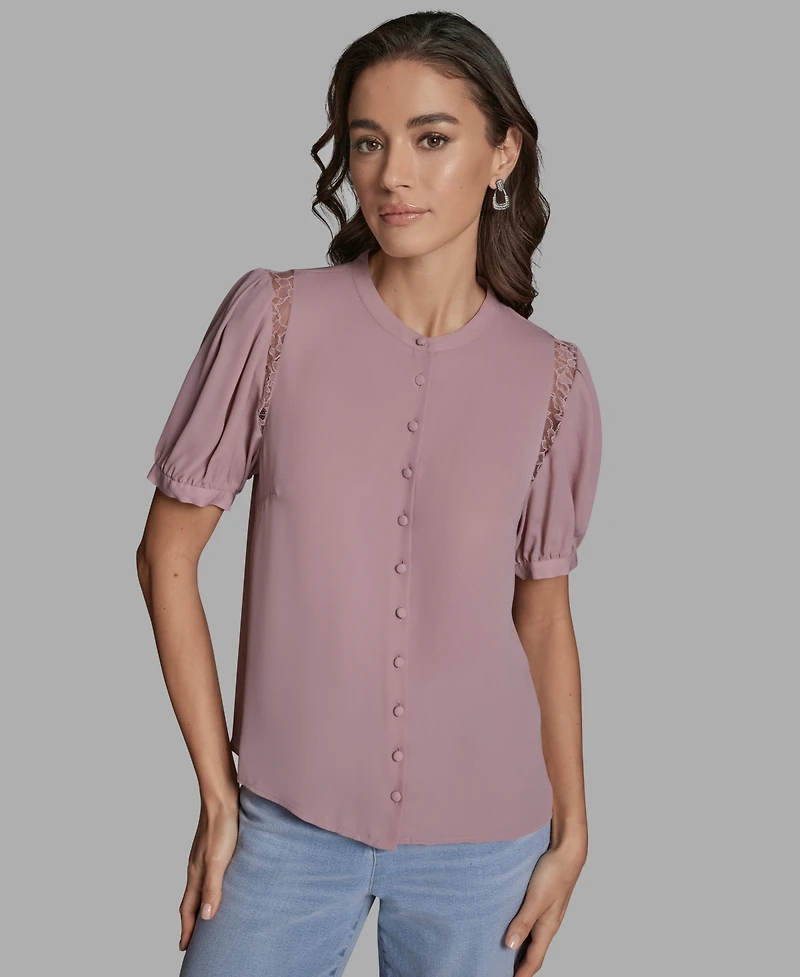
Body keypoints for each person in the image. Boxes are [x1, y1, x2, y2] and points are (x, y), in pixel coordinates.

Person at [136, 10, 603, 977]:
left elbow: (544, 613)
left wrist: (575, 828)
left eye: (432, 139)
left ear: (503, 152)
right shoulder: (274, 319)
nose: (393, 175)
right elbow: (166, 554)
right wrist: (218, 791)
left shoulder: (551, 377)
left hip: (488, 847)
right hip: (284, 827)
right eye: (367, 142)